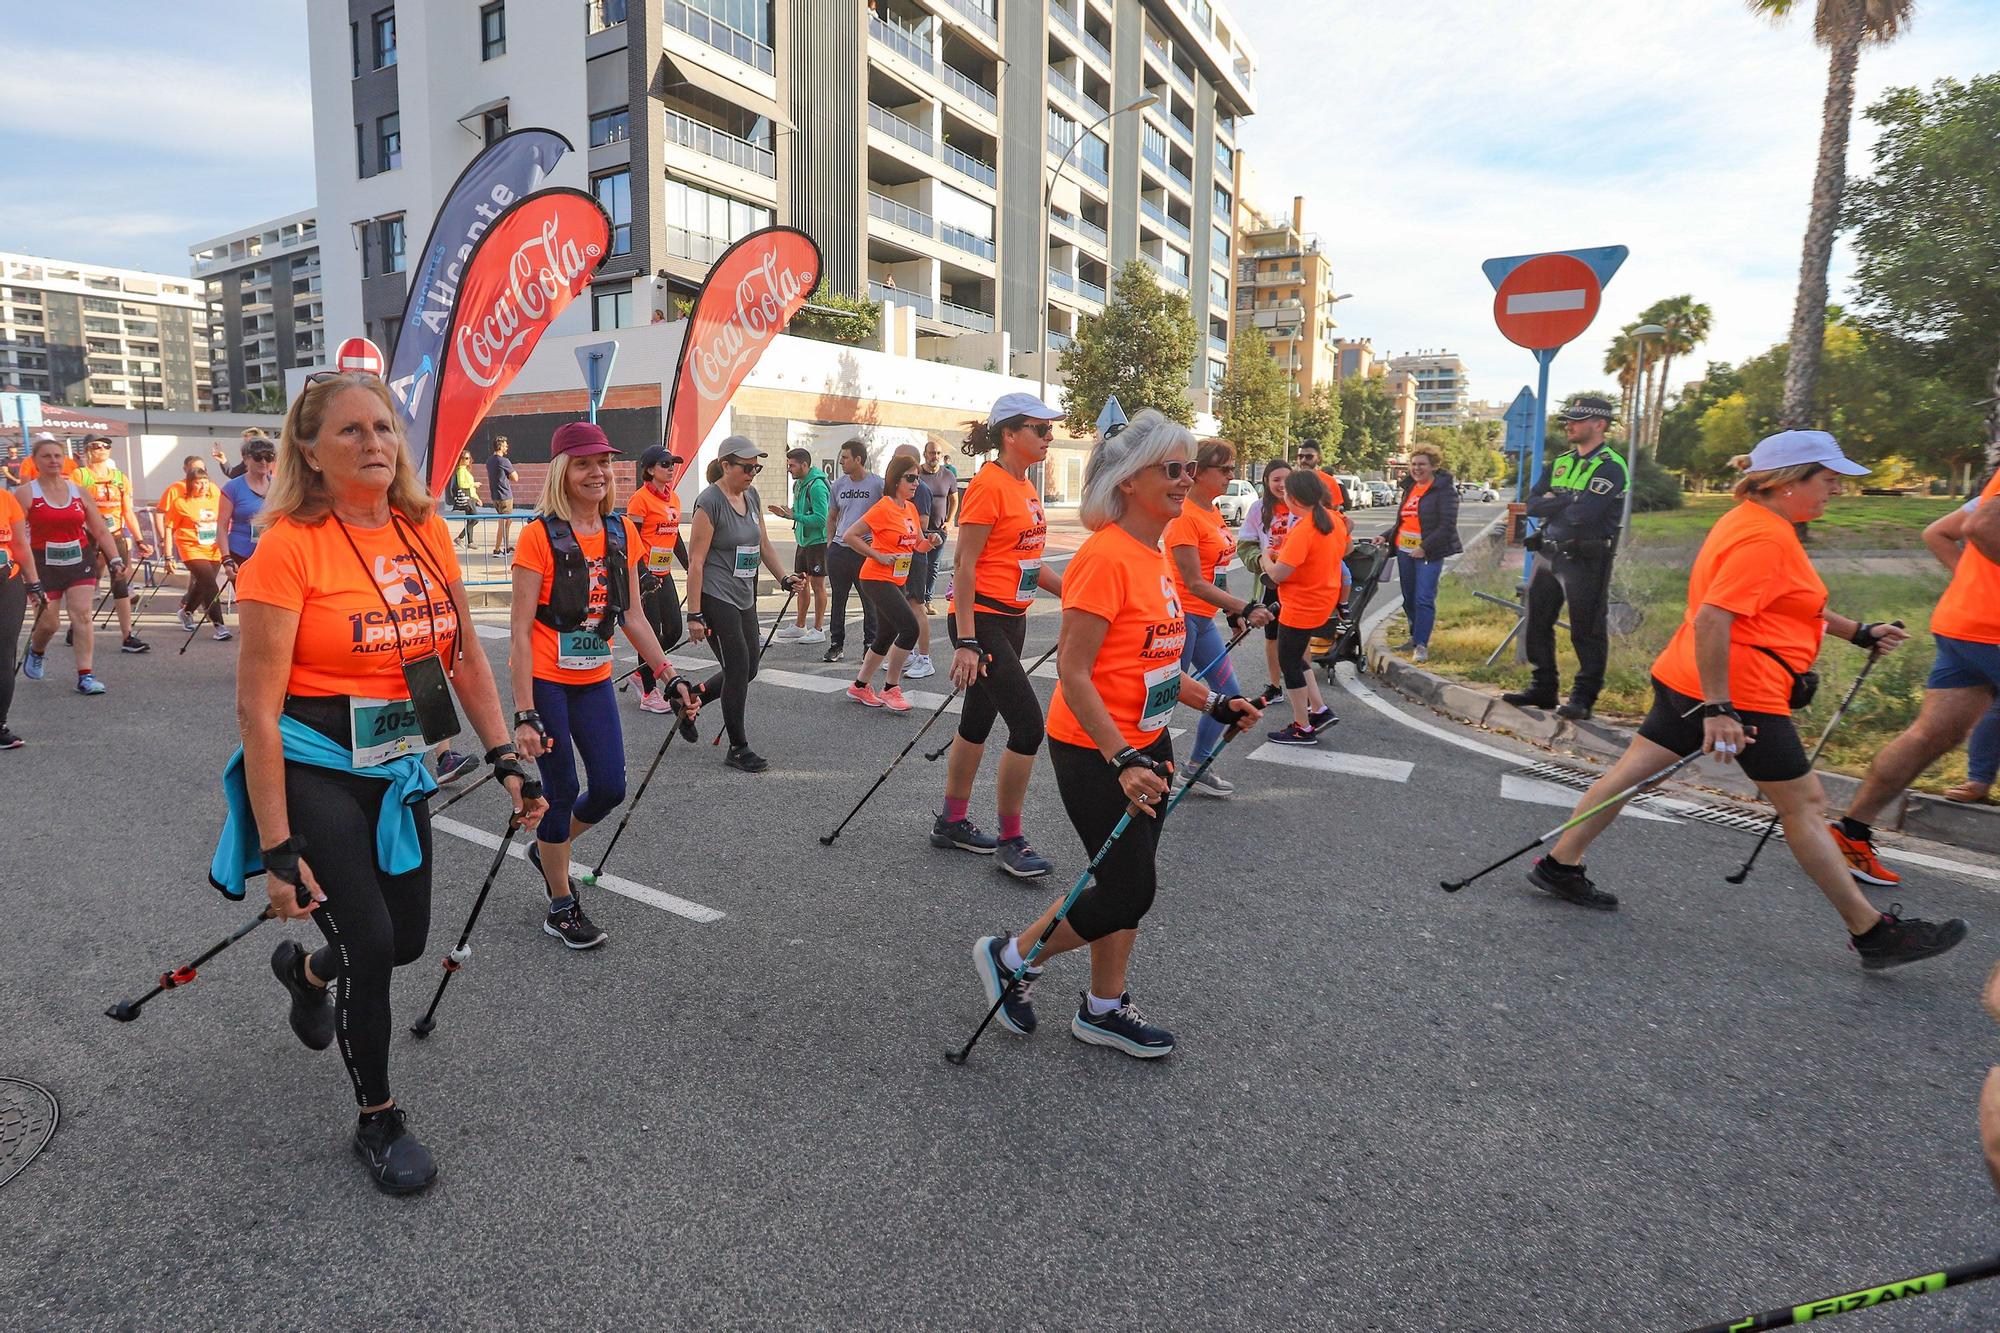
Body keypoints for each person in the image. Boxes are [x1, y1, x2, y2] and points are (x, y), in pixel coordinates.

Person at [222, 369, 546, 1194]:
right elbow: (257, 713)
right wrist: (277, 848)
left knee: (402, 941)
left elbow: (463, 656)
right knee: (371, 944)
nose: (374, 443)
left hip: (399, 767)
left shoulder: (423, 529)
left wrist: (505, 753)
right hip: (315, 767)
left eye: (383, 428)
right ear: (310, 448)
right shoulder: (287, 546)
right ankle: (379, 1117)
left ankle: (306, 974)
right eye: (351, 431)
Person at [1522, 432, 1965, 969]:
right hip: (1740, 689)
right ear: (1787, 481)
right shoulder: (1765, 539)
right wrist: (1720, 707)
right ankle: (1871, 932)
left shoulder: (1754, 522)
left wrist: (1857, 632)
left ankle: (1560, 863)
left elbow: (1784, 603)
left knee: (1636, 774)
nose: (1836, 490)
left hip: (1692, 675)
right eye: (1827, 480)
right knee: (1802, 805)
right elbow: (1715, 617)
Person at [970, 409, 1262, 1059]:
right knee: (1132, 888)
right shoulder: (1104, 557)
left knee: (1125, 879)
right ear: (1129, 480)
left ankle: (1103, 1007)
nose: (1187, 479)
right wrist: (1122, 755)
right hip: (1097, 748)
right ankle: (1013, 954)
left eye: (1191, 467)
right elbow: (1073, 673)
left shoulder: (1151, 555)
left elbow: (1154, 663)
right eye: (1173, 467)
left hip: (1146, 742)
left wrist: (1216, 701)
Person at [510, 422, 698, 948]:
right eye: (584, 463)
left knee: (611, 787)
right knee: (563, 791)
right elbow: (521, 631)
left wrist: (669, 674)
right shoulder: (537, 536)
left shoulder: (622, 530)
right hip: (547, 680)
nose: (597, 472)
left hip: (592, 677)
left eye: (604, 462)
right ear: (561, 471)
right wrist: (524, 711)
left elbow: (634, 616)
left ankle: (550, 851)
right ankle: (561, 904)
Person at [1831, 452, 2000, 887]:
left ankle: (1851, 834)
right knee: (1931, 736)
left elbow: (1944, 530)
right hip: (1992, 632)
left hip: (1966, 625)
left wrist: (1973, 585)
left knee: (1933, 735)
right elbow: (1978, 528)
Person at [935, 394, 1065, 878]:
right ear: (1011, 434)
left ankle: (951, 821)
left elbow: (1027, 559)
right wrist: (967, 641)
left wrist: (1078, 595)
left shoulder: (1024, 484)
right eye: (1040, 429)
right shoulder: (989, 485)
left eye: (1050, 430)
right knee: (1029, 726)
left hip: (1012, 618)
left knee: (977, 722)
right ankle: (1012, 839)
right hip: (982, 620)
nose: (1049, 437)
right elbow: (965, 567)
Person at [1505, 395, 1627, 721]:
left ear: (1598, 425)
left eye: (1576, 421)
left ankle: (1583, 698)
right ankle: (1543, 688)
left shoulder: (1611, 466)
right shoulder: (1560, 462)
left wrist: (1557, 500)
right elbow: (1531, 504)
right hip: (1548, 553)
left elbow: (1582, 515)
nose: (1568, 426)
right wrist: (1567, 499)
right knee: (1536, 623)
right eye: (1568, 420)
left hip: (1586, 558)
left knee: (1585, 630)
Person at [685, 437, 803, 772]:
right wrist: (694, 614)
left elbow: (762, 542)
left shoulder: (751, 496)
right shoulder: (709, 502)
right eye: (747, 467)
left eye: (757, 467)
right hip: (715, 594)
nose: (753, 473)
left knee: (749, 668)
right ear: (726, 465)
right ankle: (738, 747)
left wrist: (783, 577)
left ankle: (692, 698)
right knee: (737, 667)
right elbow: (696, 561)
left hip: (743, 593)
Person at [1166, 439, 1271, 797]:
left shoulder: (1211, 511)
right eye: (1224, 469)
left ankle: (1194, 768)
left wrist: (1229, 612)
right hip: (1178, 619)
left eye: (1232, 468)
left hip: (1203, 619)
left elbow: (1217, 569)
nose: (1231, 475)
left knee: (1229, 695)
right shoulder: (1184, 518)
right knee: (1162, 700)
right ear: (1198, 472)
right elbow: (1194, 582)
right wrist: (1244, 606)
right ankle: (1142, 767)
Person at [17, 436, 126, 695]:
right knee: (49, 623)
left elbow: (99, 528)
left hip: (79, 560)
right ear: (35, 462)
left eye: (57, 456)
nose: (53, 460)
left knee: (82, 615)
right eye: (47, 456)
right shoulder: (26, 493)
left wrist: (115, 559)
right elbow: (18, 535)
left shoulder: (77, 490)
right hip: (43, 563)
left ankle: (86, 675)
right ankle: (37, 649)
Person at [840, 454, 937, 712]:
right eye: (911, 478)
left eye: (918, 478)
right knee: (909, 628)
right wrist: (878, 555)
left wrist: (931, 542)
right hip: (875, 577)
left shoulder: (911, 509)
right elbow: (850, 535)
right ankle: (890, 688)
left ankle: (860, 686)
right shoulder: (883, 508)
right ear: (896, 480)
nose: (916, 483)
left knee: (885, 635)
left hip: (897, 579)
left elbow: (917, 545)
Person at [1919, 498, 2000, 805]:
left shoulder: (1989, 495)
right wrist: (1970, 579)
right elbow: (1941, 532)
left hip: (1961, 625)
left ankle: (1978, 780)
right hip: (1985, 626)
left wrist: (1967, 578)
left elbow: (1936, 532)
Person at [1263, 468, 1346, 744]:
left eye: (1286, 492)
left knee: (1289, 662)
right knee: (1297, 656)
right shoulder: (1333, 519)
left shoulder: (1304, 529)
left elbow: (1276, 576)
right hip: (1322, 600)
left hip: (1300, 604)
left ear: (1294, 498)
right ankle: (1318, 709)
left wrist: (1266, 557)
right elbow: (1336, 551)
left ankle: (1302, 726)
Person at [1381, 441, 1461, 664]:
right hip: (1405, 550)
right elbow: (1404, 522)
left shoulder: (1444, 491)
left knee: (1424, 598)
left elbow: (1447, 526)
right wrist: (1386, 536)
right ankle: (1415, 636)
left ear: (1433, 466)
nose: (1416, 468)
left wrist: (1424, 548)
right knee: (1408, 598)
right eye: (1413, 464)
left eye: (1422, 464)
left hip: (1429, 552)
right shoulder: (1410, 488)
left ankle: (1421, 645)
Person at [627, 443, 691, 713]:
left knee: (674, 629)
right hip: (645, 576)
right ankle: (649, 692)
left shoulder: (673, 498)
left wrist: (692, 567)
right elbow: (632, 540)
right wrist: (642, 573)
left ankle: (644, 671)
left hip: (663, 572)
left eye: (672, 464)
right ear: (650, 469)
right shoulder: (640, 500)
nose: (671, 469)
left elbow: (674, 537)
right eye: (665, 464)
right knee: (650, 631)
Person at [79, 435, 153, 654]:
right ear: (87, 450)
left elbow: (127, 510)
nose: (101, 449)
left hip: (115, 535)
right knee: (84, 584)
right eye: (95, 446)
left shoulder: (120, 477)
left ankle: (127, 636)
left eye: (105, 445)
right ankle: (77, 625)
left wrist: (140, 540)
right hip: (89, 536)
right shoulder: (80, 475)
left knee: (121, 582)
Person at [1235, 460, 1295, 699]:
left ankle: (1304, 691)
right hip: (1270, 582)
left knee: (1298, 639)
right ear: (1266, 482)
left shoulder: (1302, 506)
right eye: (1276, 480)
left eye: (1286, 479)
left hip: (1298, 583)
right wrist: (1261, 560)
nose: (1281, 485)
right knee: (1272, 636)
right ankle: (1275, 686)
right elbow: (1245, 545)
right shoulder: (1258, 509)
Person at [822, 439, 882, 663]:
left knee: (870, 600)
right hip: (840, 550)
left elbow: (886, 513)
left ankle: (869, 646)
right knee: (838, 599)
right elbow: (832, 516)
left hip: (865, 550)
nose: (841, 461)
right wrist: (830, 543)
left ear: (858, 459)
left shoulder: (877, 484)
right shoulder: (838, 485)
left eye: (845, 457)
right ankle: (836, 644)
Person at [157, 459, 231, 640]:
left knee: (203, 584)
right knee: (210, 584)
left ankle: (186, 611)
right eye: (198, 483)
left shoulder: (216, 499)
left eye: (205, 482)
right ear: (189, 484)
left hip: (213, 548)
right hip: (190, 547)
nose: (203, 486)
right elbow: (169, 528)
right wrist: (168, 556)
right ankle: (220, 626)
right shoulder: (181, 503)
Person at [0, 481, 45, 745]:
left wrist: (34, 583)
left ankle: (0, 723)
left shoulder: (6, 499)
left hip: (8, 581)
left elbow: (19, 543)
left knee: (4, 654)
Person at [769, 447, 830, 644]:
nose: (789, 469)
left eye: (792, 465)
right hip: (803, 541)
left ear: (804, 464)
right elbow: (800, 511)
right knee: (800, 583)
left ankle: (818, 629)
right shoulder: (799, 485)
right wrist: (787, 513)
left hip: (818, 543)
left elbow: (822, 520)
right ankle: (800, 625)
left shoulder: (817, 486)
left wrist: (793, 515)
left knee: (818, 586)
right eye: (788, 465)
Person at [918, 437, 959, 607]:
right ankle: (916, 599)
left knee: (933, 567)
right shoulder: (917, 474)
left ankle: (927, 600)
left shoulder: (948, 475)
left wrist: (950, 521)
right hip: (919, 531)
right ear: (925, 454)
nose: (935, 456)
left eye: (938, 453)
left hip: (939, 530)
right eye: (932, 453)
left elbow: (954, 500)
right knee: (919, 565)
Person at [485, 436, 518, 555]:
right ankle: (497, 549)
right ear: (500, 447)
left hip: (495, 495)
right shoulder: (504, 461)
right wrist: (508, 475)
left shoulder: (489, 461)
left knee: (507, 522)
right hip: (505, 495)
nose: (507, 447)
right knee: (503, 523)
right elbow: (515, 477)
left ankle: (507, 546)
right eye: (505, 445)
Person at [1292, 441, 1347, 511]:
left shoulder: (1329, 481)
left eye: (1309, 457)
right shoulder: (1289, 480)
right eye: (1300, 456)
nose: (1303, 460)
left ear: (1319, 458)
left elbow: (1334, 510)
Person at [449, 451, 482, 548]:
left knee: (470, 520)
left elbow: (471, 489)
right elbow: (462, 484)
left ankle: (469, 541)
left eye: (469, 458)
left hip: (471, 497)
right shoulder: (461, 470)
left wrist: (477, 498)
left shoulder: (465, 470)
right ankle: (461, 538)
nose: (468, 460)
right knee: (475, 519)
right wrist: (474, 484)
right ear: (461, 460)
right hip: (467, 498)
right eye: (466, 458)